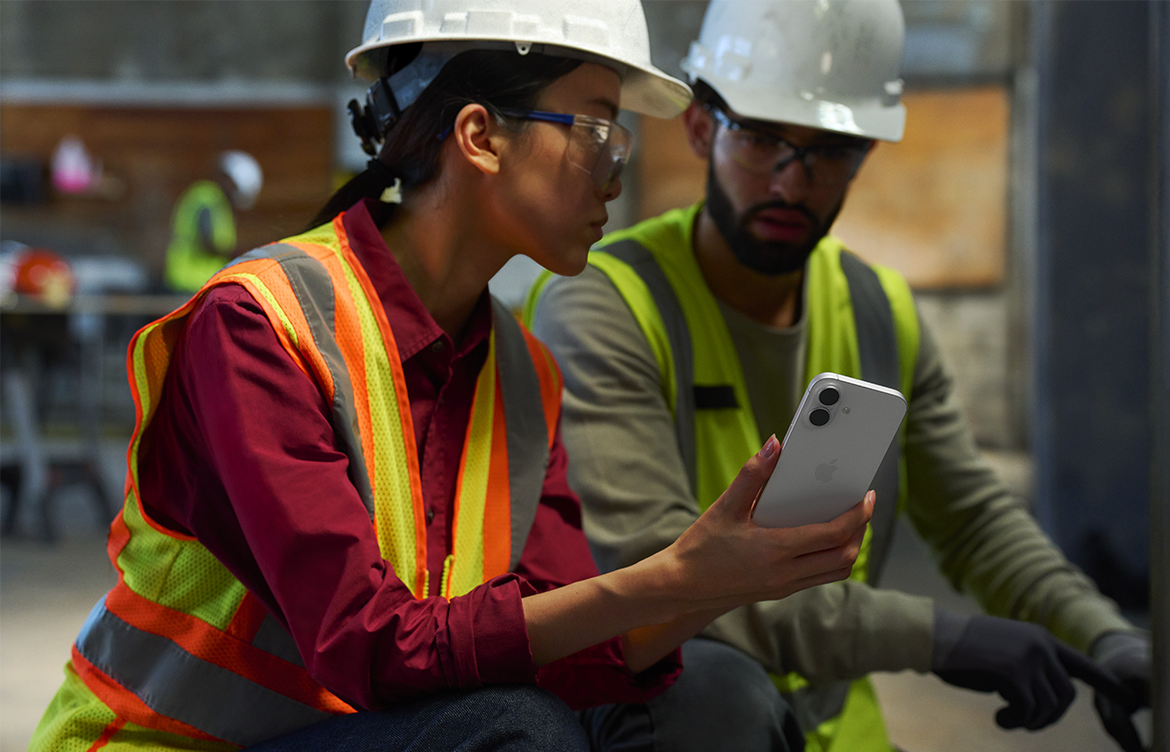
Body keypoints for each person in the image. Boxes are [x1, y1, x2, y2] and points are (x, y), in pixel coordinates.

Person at [27, 1, 876, 750]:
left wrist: (718, 585)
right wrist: (677, 574)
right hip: (175, 744)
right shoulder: (260, 326)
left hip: (376, 733)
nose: (618, 170)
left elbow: (563, 644)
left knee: (713, 695)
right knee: (517, 732)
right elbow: (370, 649)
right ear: (479, 136)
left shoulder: (521, 373)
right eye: (596, 129)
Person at [525, 0, 1153, 749]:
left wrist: (1105, 635)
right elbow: (656, 579)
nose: (792, 184)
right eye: (760, 140)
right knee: (713, 692)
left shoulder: (878, 312)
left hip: (829, 728)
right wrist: (940, 639)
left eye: (830, 150)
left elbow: (975, 519)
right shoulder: (604, 305)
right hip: (673, 714)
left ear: (865, 153)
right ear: (700, 128)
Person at [163, 149, 263, 292]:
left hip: (199, 283)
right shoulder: (207, 197)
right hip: (188, 283)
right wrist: (241, 255)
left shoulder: (219, 203)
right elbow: (207, 243)